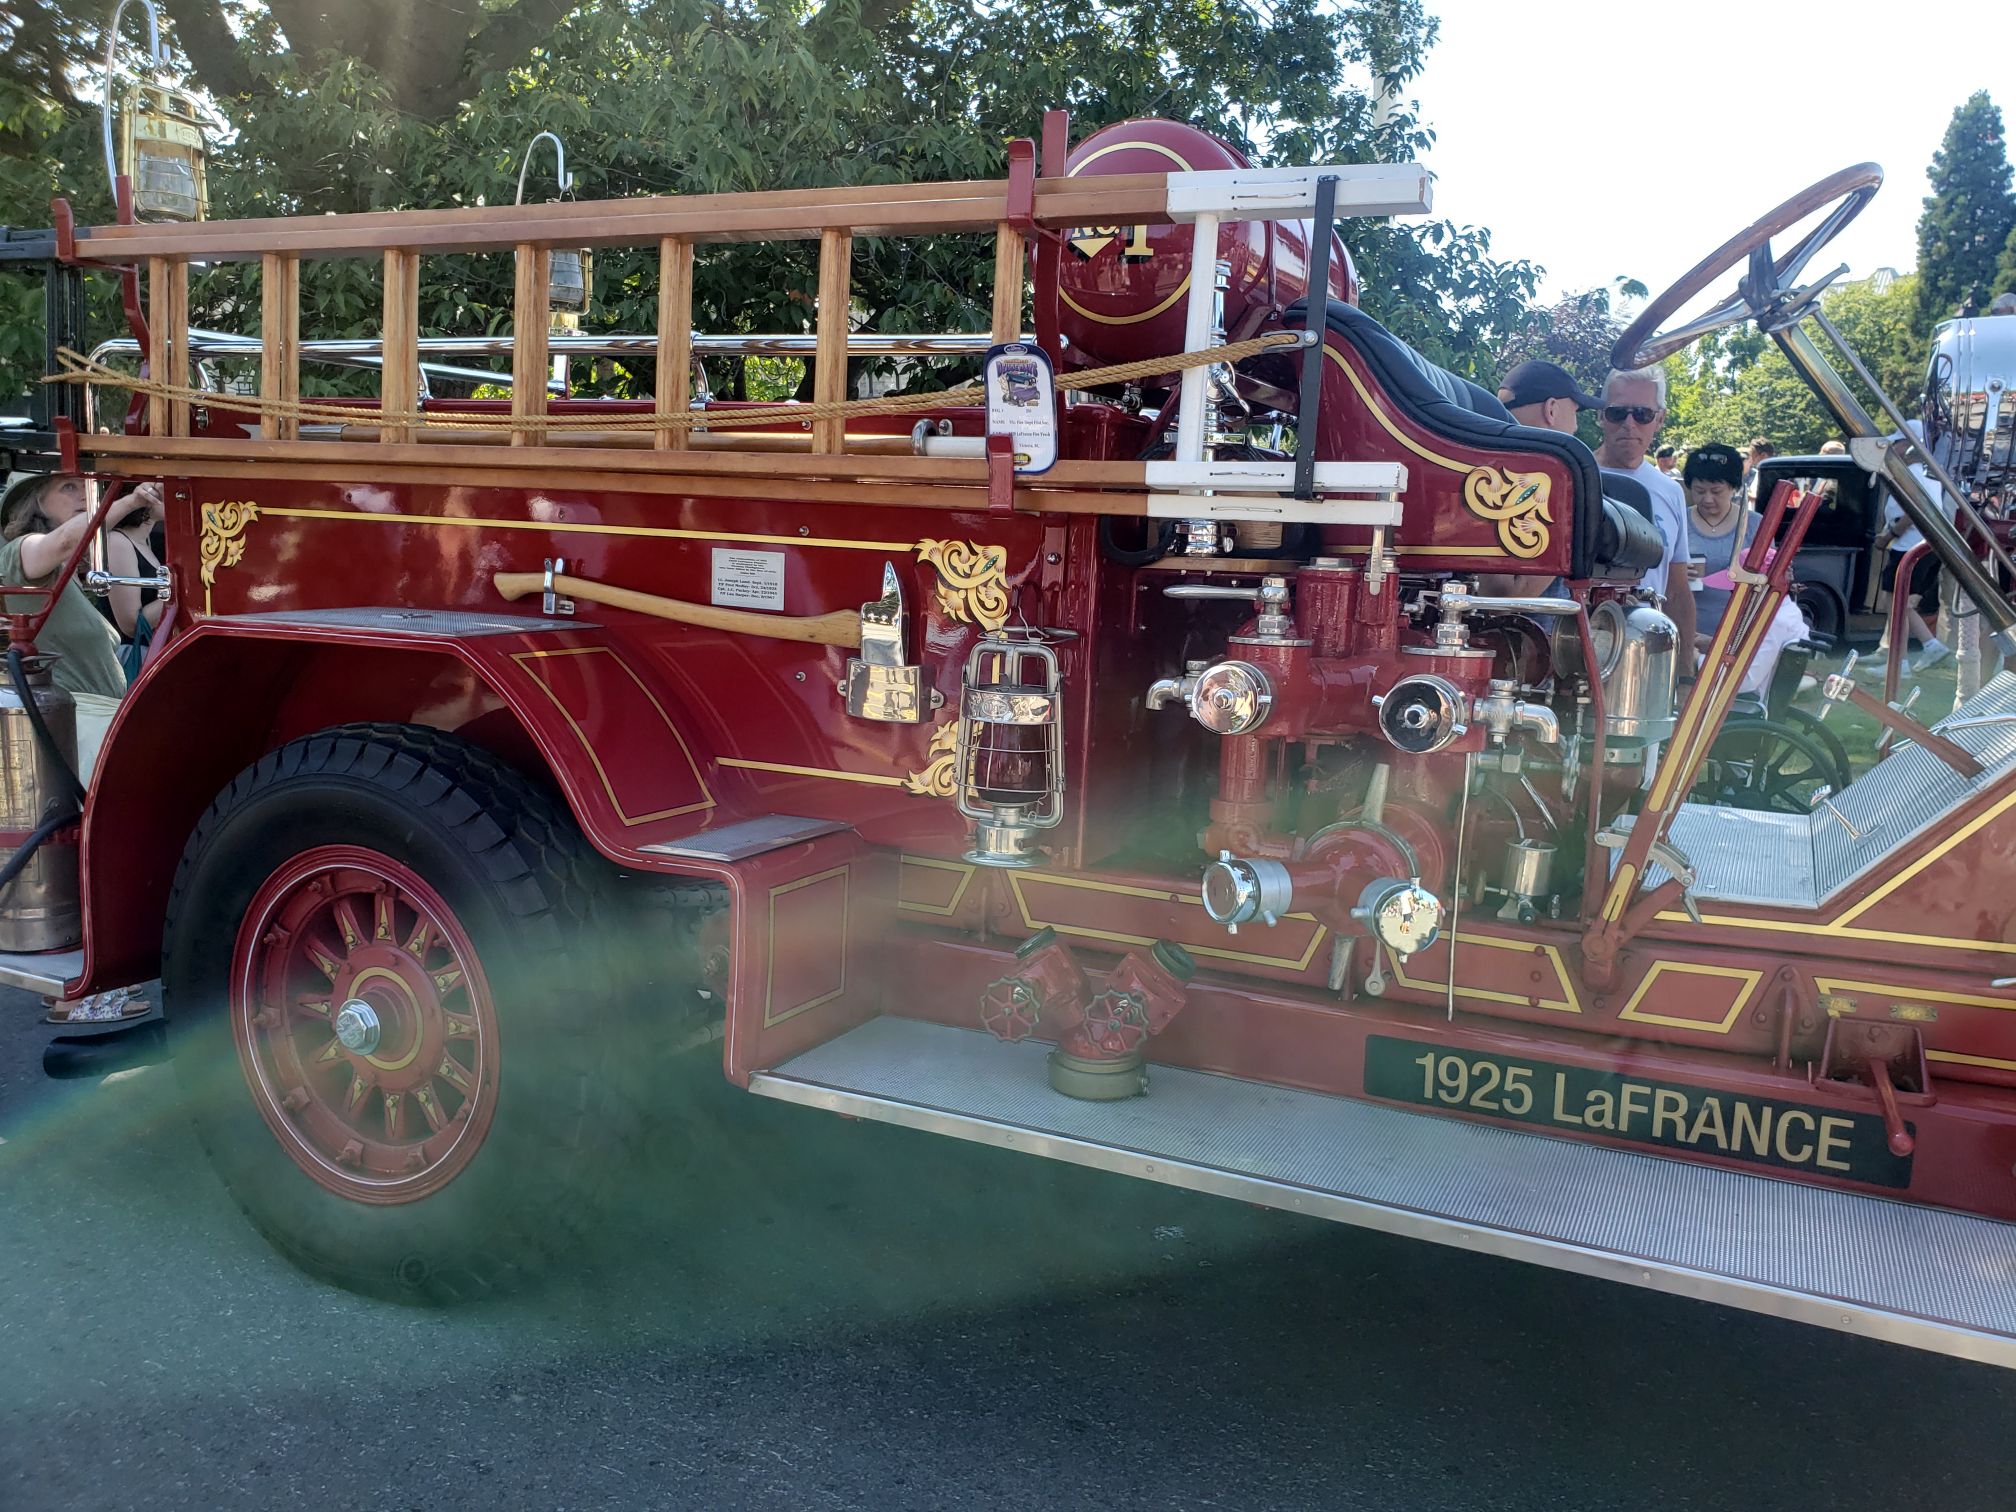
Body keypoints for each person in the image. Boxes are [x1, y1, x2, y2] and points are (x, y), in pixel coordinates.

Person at [0, 472, 158, 1025]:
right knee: (101, 845)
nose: (79, 496)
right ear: (32, 503)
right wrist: (128, 500)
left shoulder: (60, 575)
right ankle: (84, 989)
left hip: (90, 716)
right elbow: (69, 538)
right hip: (76, 718)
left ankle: (85, 983)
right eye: (66, 488)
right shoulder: (20, 553)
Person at [1594, 367, 1696, 670]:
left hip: (1646, 657)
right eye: (1617, 413)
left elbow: (1677, 590)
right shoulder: (1572, 479)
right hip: (1576, 647)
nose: (1629, 424)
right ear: (1600, 415)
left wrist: (1685, 674)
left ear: (1660, 419)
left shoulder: (1670, 492)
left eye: (1642, 414)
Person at [97, 482, 167, 677]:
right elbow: (131, 624)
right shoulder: (118, 541)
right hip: (133, 658)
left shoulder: (144, 541)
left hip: (149, 653)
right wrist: (183, 594)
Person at [1681, 444, 1747, 644]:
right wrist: (1673, 572)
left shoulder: (1755, 525)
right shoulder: (1679, 521)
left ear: (1734, 487)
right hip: (1687, 633)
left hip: (1738, 637)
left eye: (1716, 491)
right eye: (1699, 491)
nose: (1708, 499)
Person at [1495, 360, 1600, 433]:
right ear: (1551, 410)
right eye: (1574, 412)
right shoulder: (1556, 460)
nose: (1576, 426)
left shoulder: (1488, 455)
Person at [1741, 438, 1777, 506]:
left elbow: (1760, 497)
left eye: (1752, 454)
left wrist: (1741, 492)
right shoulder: (1758, 472)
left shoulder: (1770, 474)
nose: (1750, 457)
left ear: (1763, 455)